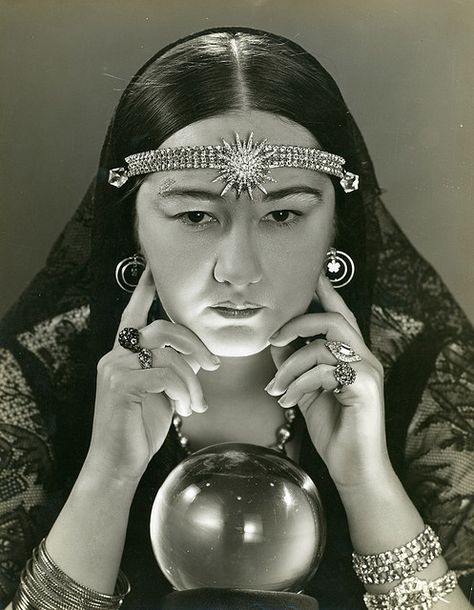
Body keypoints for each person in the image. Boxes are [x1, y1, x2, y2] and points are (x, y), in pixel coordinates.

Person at [0, 25, 472, 610]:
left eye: (282, 215)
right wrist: (108, 476)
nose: (239, 270)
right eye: (197, 215)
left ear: (335, 227)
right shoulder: (24, 383)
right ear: (131, 227)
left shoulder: (432, 380)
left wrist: (367, 482)